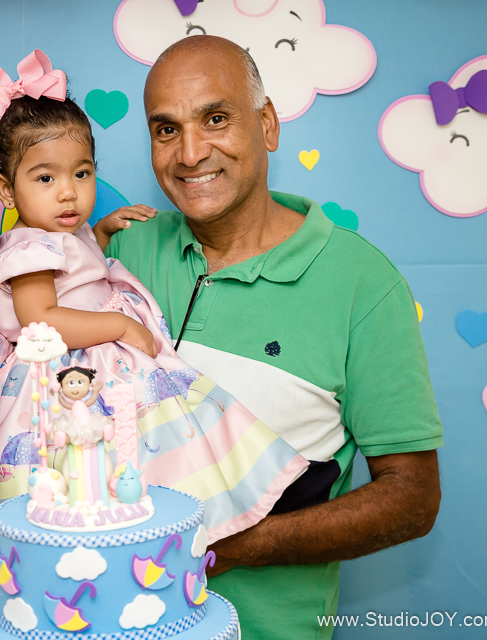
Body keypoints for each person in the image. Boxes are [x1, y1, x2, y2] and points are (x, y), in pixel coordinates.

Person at [95, 35, 443, 640]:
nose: (190, 153)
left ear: (268, 125)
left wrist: (239, 544)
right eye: (166, 129)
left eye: (216, 119)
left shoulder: (362, 284)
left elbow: (412, 498)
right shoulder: (125, 252)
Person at [0, 49, 309, 619]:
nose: (68, 192)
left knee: (133, 462)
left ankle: (178, 522)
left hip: (92, 369)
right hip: (54, 382)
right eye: (45, 178)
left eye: (81, 174)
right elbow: (44, 317)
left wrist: (97, 233)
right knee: (77, 480)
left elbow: (75, 268)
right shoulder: (26, 250)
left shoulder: (64, 235)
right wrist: (120, 325)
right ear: (6, 189)